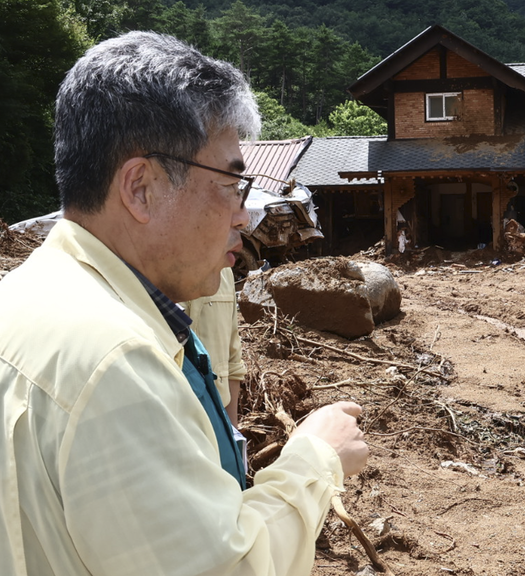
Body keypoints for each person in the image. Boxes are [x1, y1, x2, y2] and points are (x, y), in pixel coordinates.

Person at [0, 31, 367, 576]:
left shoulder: (27, 295)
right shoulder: (116, 363)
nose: (244, 215)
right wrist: (315, 461)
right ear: (141, 188)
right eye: (230, 184)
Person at [181, 267, 246, 426]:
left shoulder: (224, 273)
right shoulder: (147, 270)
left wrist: (232, 435)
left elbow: (233, 361)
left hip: (215, 425)